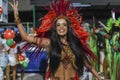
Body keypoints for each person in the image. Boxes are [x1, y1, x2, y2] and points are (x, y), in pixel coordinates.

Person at [9, 0, 102, 80]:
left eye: (64, 25)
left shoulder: (75, 44)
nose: (61, 27)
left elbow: (88, 65)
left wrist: (99, 78)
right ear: (55, 28)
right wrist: (17, 19)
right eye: (58, 25)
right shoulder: (49, 43)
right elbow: (26, 37)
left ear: (68, 27)